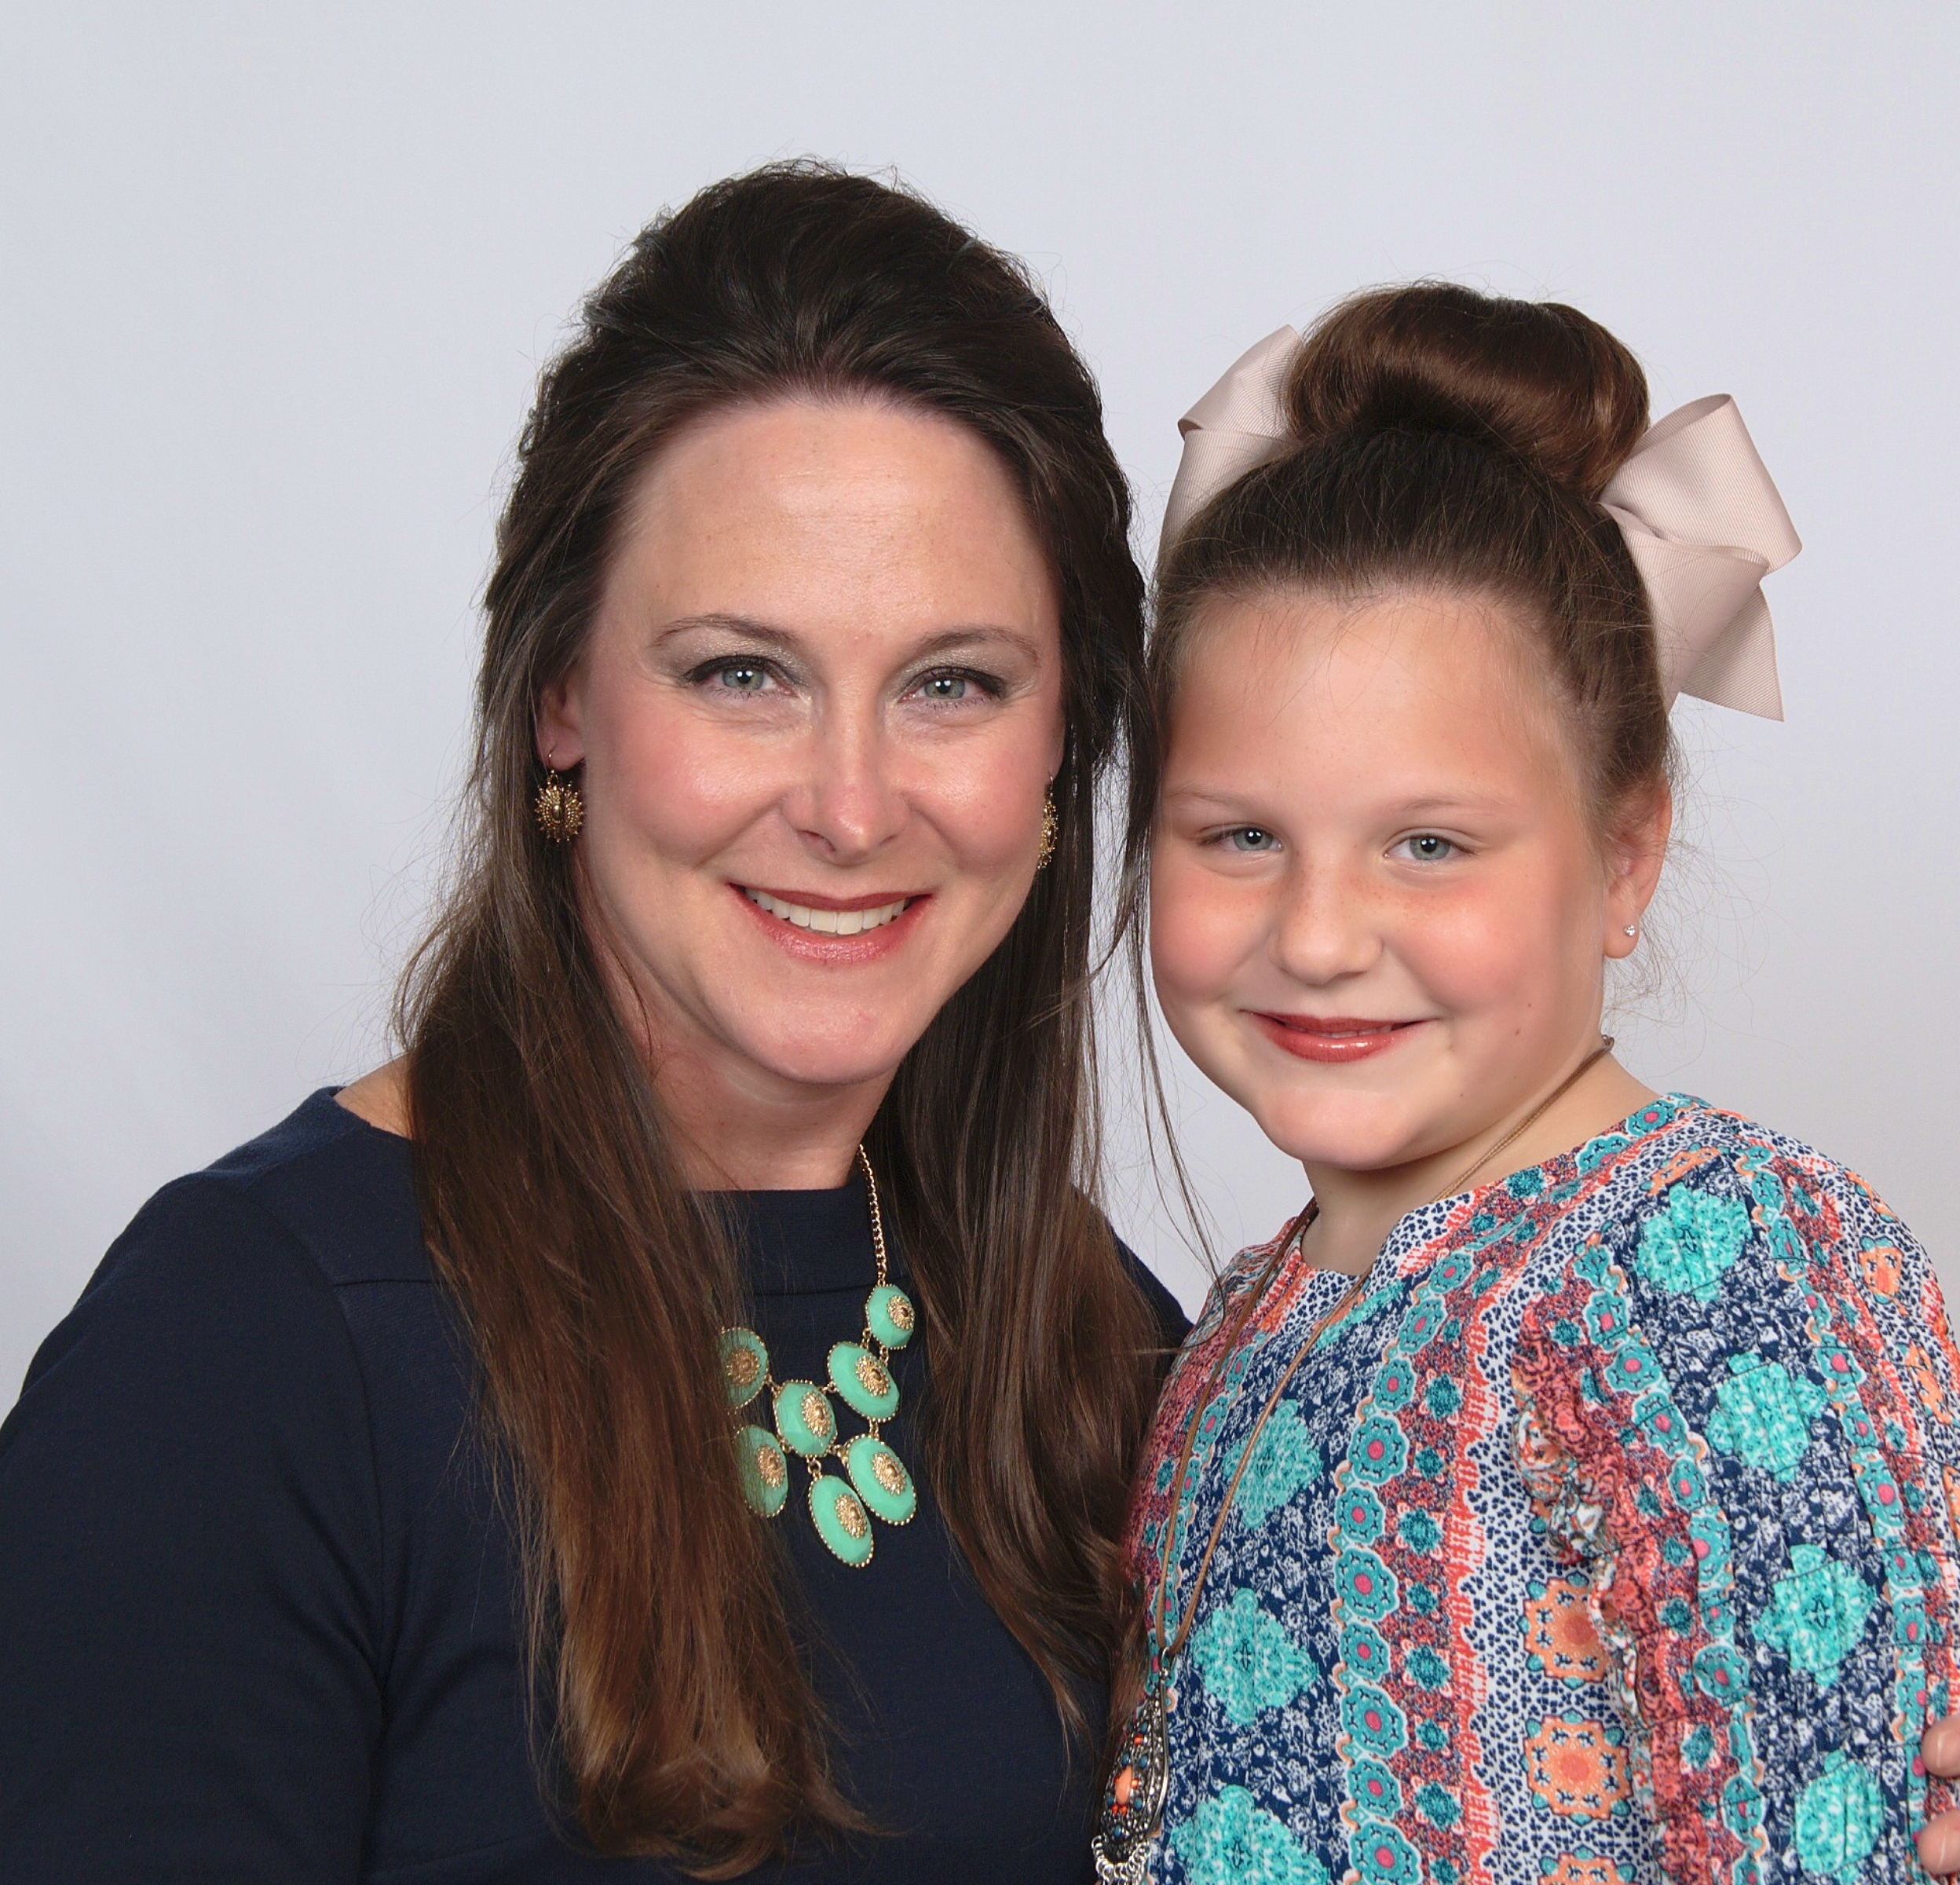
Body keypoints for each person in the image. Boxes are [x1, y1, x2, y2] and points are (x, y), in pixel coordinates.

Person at [0, 163, 1186, 1881]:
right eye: (741, 673)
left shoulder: (1084, 1324)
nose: (852, 808)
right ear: (562, 695)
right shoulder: (242, 1348)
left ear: (1064, 743)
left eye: (954, 683)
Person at [1097, 287, 1960, 1883]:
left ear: (1624, 856)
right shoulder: (1245, 1315)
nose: (1318, 936)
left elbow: (1832, 1843)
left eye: (1429, 844)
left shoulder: (1707, 1264)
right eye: (1240, 834)